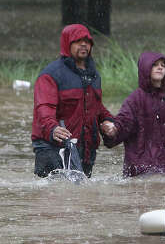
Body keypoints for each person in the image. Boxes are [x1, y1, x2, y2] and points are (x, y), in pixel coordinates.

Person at [31, 24, 117, 177]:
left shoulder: (94, 75)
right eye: (78, 41)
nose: (84, 44)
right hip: (52, 148)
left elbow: (96, 107)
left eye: (87, 41)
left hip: (84, 149)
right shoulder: (50, 75)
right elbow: (43, 108)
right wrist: (53, 129)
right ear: (67, 45)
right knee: (54, 196)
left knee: (82, 197)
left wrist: (109, 121)